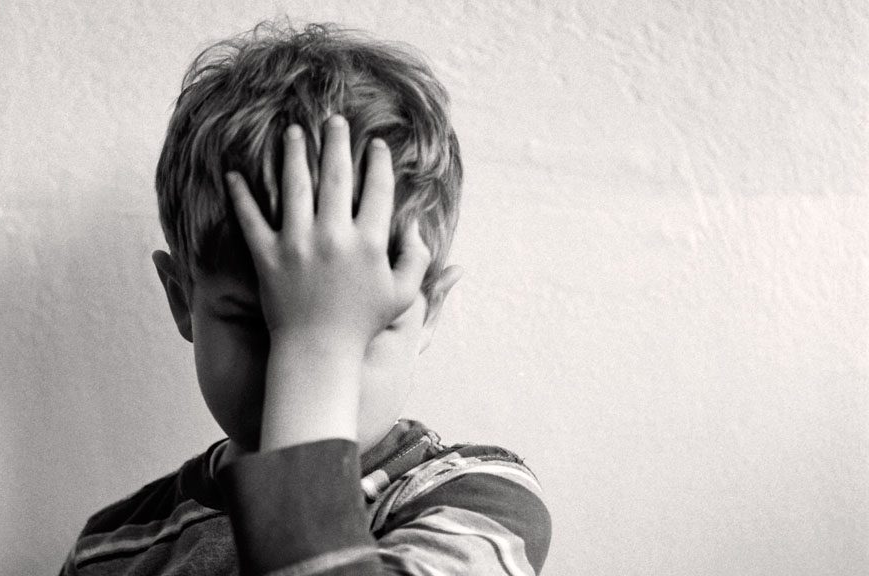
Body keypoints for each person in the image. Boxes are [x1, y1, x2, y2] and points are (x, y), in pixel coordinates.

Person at [59, 20, 551, 576]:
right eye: (254, 322)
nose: (289, 371)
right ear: (181, 299)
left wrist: (318, 344)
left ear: (429, 313)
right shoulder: (110, 548)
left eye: (363, 328)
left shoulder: (476, 505)